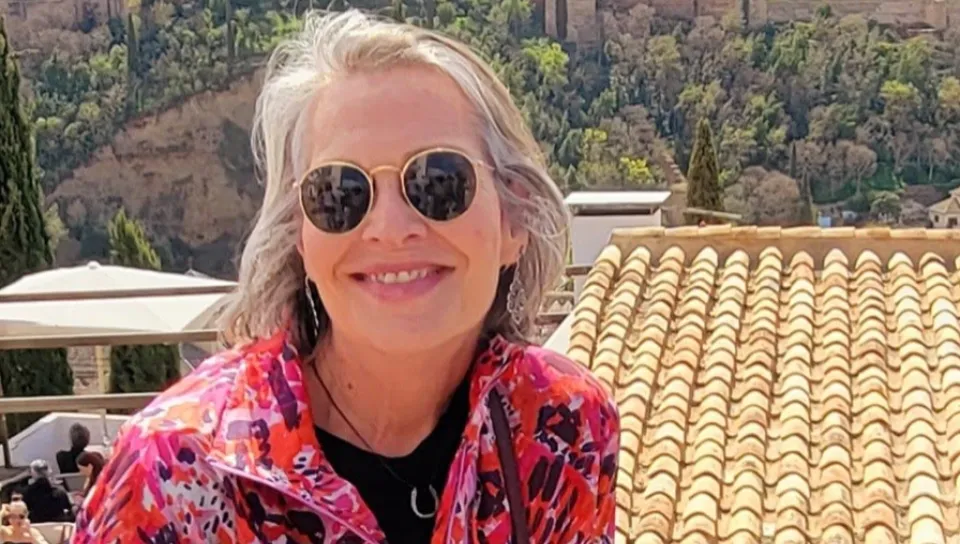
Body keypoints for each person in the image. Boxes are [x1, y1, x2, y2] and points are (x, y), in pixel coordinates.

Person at [74, 10, 619, 543]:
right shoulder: (173, 476)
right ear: (300, 235)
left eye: (437, 180)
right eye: (340, 192)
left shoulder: (561, 427)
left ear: (513, 219)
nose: (389, 229)